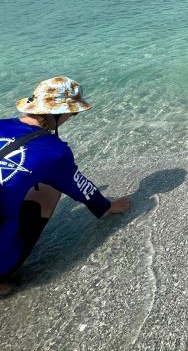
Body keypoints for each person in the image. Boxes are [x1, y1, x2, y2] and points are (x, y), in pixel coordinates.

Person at [0, 76, 132, 297]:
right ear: (59, 112)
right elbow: (81, 188)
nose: (73, 117)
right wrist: (107, 207)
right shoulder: (54, 151)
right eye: (74, 112)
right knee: (51, 188)